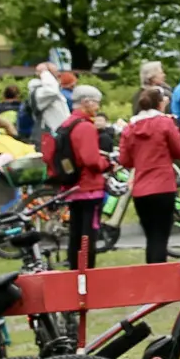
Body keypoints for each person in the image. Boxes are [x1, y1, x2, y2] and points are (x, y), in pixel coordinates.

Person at [114, 86, 180, 263]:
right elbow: (178, 151)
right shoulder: (165, 123)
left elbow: (124, 160)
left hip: (141, 189)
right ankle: (159, 274)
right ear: (160, 104)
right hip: (163, 186)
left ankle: (150, 272)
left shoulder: (130, 128)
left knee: (151, 237)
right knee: (161, 236)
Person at [53, 84, 112, 269]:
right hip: (89, 188)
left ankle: (75, 272)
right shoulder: (85, 127)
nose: (98, 108)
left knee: (75, 234)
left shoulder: (66, 124)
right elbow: (91, 160)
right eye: (96, 103)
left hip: (72, 187)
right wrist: (107, 163)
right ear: (87, 102)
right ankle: (87, 273)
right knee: (88, 236)